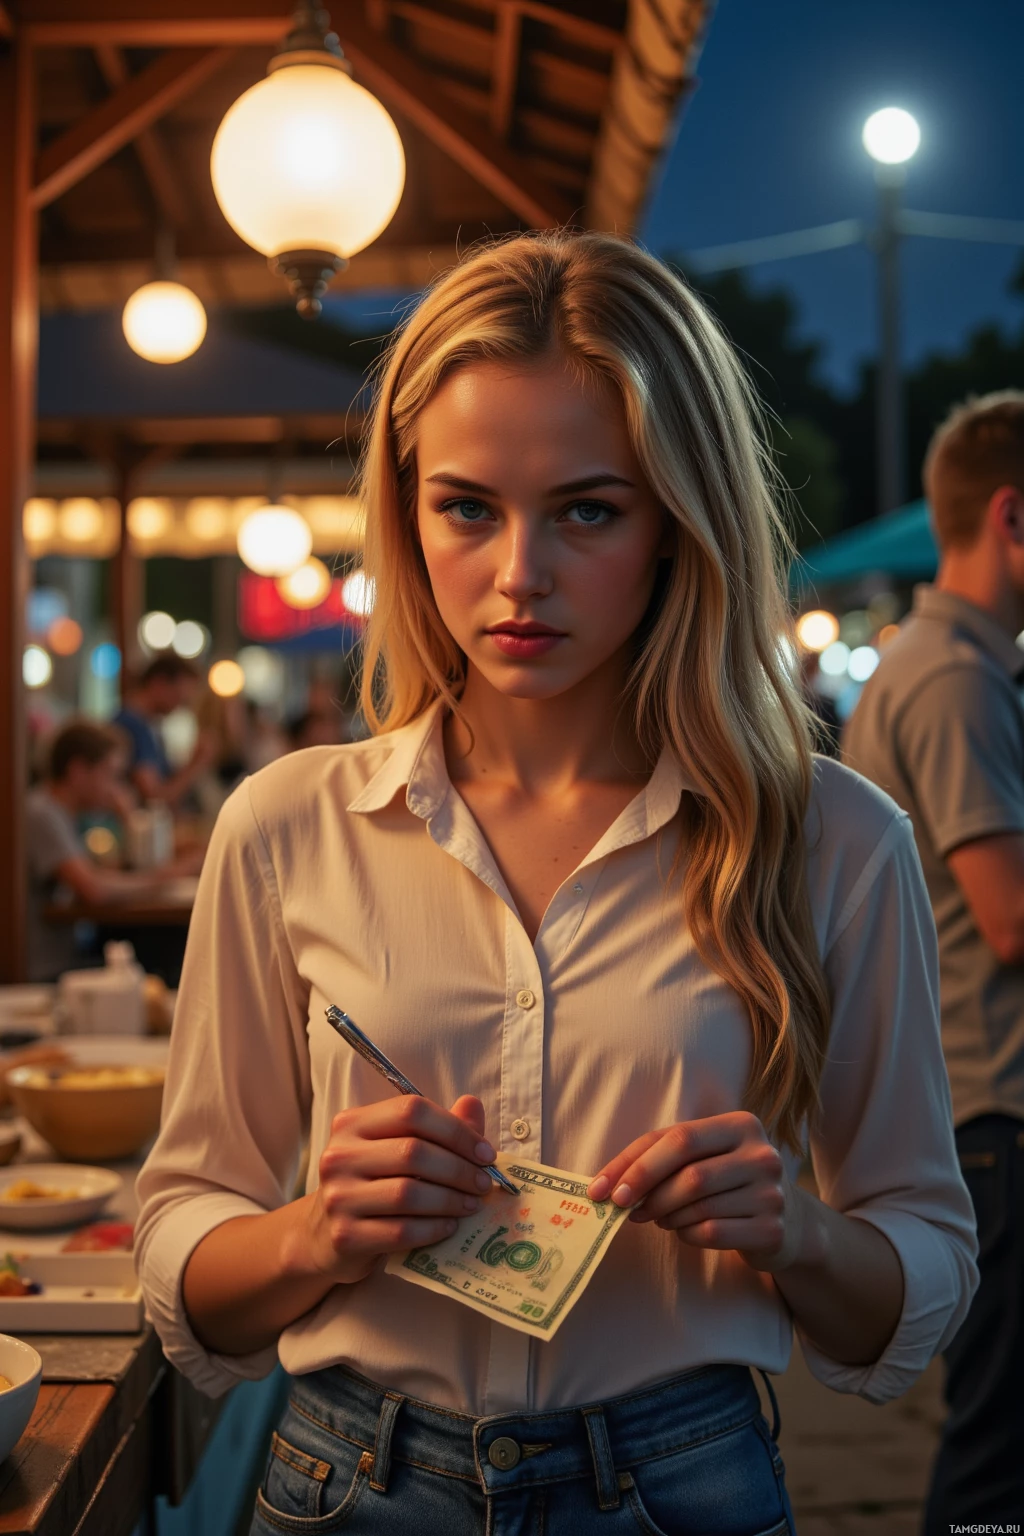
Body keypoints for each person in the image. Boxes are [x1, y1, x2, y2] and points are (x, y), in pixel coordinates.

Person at [136, 233, 977, 1536]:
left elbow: (923, 1273)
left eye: (588, 508)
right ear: (408, 516)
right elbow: (182, 1249)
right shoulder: (288, 824)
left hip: (681, 1479)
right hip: (344, 1480)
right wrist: (317, 1231)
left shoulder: (836, 840)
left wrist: (796, 1232)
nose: (519, 574)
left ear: (676, 523)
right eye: (468, 506)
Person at [843, 390, 1024, 1534]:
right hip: (995, 1108)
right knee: (1000, 1454)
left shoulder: (925, 662)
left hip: (963, 1101)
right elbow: (1009, 917)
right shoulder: (955, 679)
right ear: (1011, 516)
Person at [27, 719, 195, 981]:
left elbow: (109, 872)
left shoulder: (65, 815)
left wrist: (128, 821)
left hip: (68, 954)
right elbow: (94, 888)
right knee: (162, 962)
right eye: (111, 775)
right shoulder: (42, 814)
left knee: (162, 951)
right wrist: (164, 879)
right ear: (78, 771)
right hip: (46, 967)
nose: (117, 788)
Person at [114, 654, 215, 808]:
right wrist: (196, 763)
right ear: (159, 683)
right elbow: (154, 798)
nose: (180, 705)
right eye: (178, 696)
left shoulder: (150, 727)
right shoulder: (131, 726)